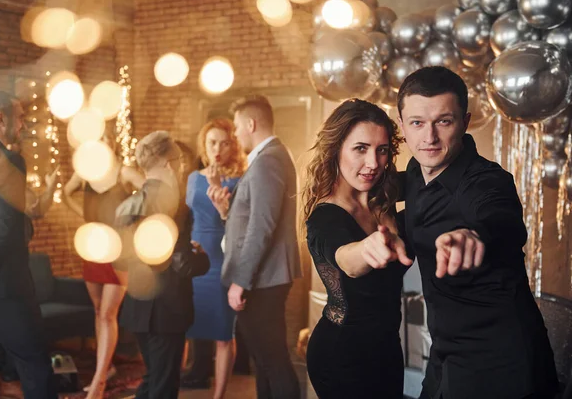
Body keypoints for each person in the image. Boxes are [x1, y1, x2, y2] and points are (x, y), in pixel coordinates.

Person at [369, 66, 559, 399]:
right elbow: (376, 187)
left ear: (465, 122)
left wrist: (473, 236)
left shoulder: (486, 181)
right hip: (444, 351)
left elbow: (501, 221)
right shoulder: (416, 170)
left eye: (444, 121)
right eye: (417, 123)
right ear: (401, 126)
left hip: (501, 357)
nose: (429, 138)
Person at [302, 98, 410, 398]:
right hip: (341, 356)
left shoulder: (384, 194)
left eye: (382, 150)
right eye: (360, 148)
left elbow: (435, 178)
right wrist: (368, 250)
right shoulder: (324, 217)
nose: (373, 163)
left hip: (387, 350)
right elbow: (345, 257)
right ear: (336, 149)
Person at [208, 95, 301, 399]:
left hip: (263, 280)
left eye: (236, 129)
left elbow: (262, 227)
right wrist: (225, 211)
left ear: (251, 124)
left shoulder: (269, 159)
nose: (235, 136)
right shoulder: (269, 157)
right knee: (263, 361)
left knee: (273, 361)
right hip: (265, 277)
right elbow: (253, 218)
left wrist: (240, 281)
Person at [0, 90, 56, 398]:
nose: (22, 125)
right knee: (35, 368)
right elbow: (4, 229)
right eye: (19, 118)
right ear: (0, 119)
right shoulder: (9, 160)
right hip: (4, 287)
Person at [116, 130, 210, 399]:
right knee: (164, 385)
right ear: (169, 163)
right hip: (167, 309)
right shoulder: (175, 206)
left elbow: (121, 260)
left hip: (138, 307)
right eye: (180, 160)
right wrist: (202, 258)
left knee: (153, 377)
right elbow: (183, 265)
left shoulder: (128, 205)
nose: (182, 166)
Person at [62, 131, 144, 398]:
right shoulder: (85, 172)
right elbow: (66, 193)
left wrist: (130, 219)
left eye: (105, 141)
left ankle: (98, 382)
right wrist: (87, 218)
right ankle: (105, 368)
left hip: (118, 250)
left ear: (112, 144)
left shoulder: (124, 172)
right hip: (92, 247)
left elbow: (152, 194)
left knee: (108, 313)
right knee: (99, 310)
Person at [183, 118, 246, 397]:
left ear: (233, 145)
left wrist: (220, 187)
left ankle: (218, 395)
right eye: (212, 142)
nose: (217, 148)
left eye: (224, 142)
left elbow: (241, 225)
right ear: (204, 145)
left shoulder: (242, 179)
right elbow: (187, 217)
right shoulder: (192, 178)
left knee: (223, 333)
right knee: (182, 328)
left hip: (222, 261)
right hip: (193, 261)